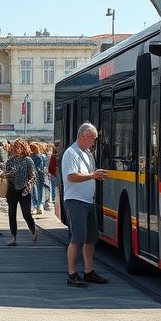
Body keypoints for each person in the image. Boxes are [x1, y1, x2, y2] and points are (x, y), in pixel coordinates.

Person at [63, 122, 109, 286]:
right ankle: (72, 273)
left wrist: (94, 176)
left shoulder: (88, 153)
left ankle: (89, 271)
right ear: (85, 136)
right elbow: (71, 176)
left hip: (88, 201)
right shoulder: (71, 153)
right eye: (93, 139)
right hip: (75, 201)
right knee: (78, 238)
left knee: (91, 238)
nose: (94, 142)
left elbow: (88, 175)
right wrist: (92, 176)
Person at [1, 139, 38, 246]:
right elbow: (6, 173)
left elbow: (33, 176)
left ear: (23, 148)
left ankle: (33, 230)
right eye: (14, 147)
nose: (16, 149)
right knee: (11, 213)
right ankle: (13, 237)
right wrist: (4, 175)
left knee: (26, 214)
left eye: (18, 147)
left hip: (24, 190)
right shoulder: (9, 161)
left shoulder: (27, 160)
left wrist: (28, 185)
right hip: (12, 190)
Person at [29, 142, 47, 215]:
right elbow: (43, 166)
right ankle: (40, 206)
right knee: (40, 190)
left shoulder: (31, 157)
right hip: (40, 175)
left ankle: (35, 206)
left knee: (34, 191)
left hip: (33, 175)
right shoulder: (42, 156)